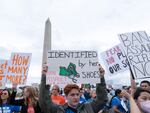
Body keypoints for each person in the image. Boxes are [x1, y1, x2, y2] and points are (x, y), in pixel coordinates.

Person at [39, 64, 108, 113]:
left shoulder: (88, 107)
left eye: (77, 94)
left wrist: (101, 78)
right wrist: (45, 77)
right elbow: (44, 103)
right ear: (66, 96)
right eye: (72, 95)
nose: (76, 97)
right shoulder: (59, 110)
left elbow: (102, 100)